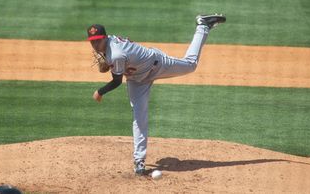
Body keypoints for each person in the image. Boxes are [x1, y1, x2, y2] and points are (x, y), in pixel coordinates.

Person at [87, 14, 226, 175]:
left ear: (105, 37)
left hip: (157, 65)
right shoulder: (110, 43)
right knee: (139, 117)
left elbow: (116, 81)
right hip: (137, 80)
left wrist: (100, 91)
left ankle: (203, 25)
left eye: (98, 40)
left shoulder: (116, 54)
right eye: (92, 41)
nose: (96, 44)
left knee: (190, 65)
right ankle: (139, 161)